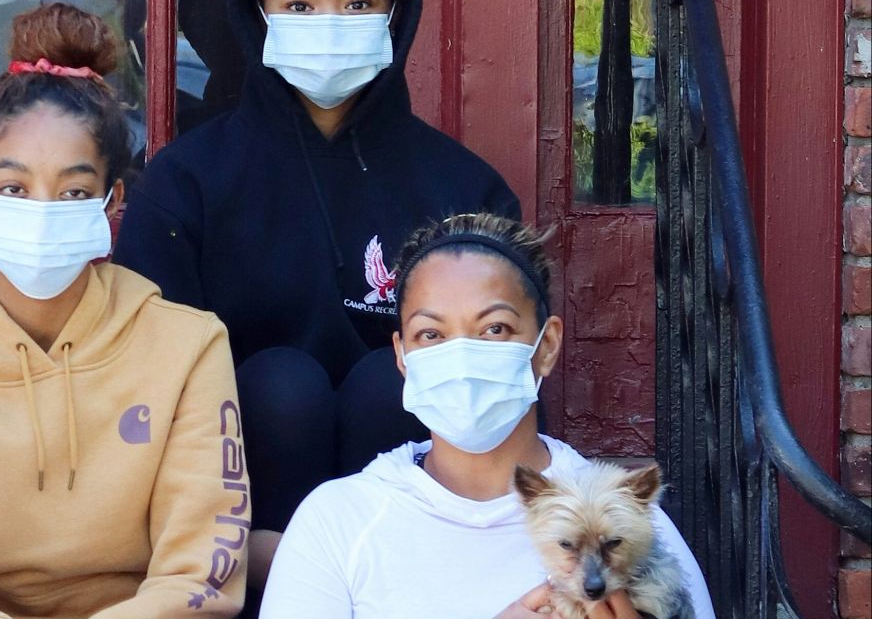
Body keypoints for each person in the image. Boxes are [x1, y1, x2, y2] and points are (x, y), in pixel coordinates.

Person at [114, 0, 521, 579]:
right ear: (258, 16)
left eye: (358, 3)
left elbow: (508, 383)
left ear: (395, 14)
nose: (329, 21)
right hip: (243, 544)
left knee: (386, 385)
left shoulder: (466, 192)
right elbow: (147, 386)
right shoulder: (187, 183)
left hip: (421, 551)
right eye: (299, 4)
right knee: (281, 385)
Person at [0, 4, 249, 617]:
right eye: (13, 188)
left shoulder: (188, 346)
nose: (42, 208)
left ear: (113, 200)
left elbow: (201, 572)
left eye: (74, 191)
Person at [259, 214, 714, 618]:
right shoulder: (337, 522)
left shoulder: (632, 527)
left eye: (494, 329)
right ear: (402, 356)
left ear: (547, 345)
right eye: (431, 333)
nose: (461, 356)